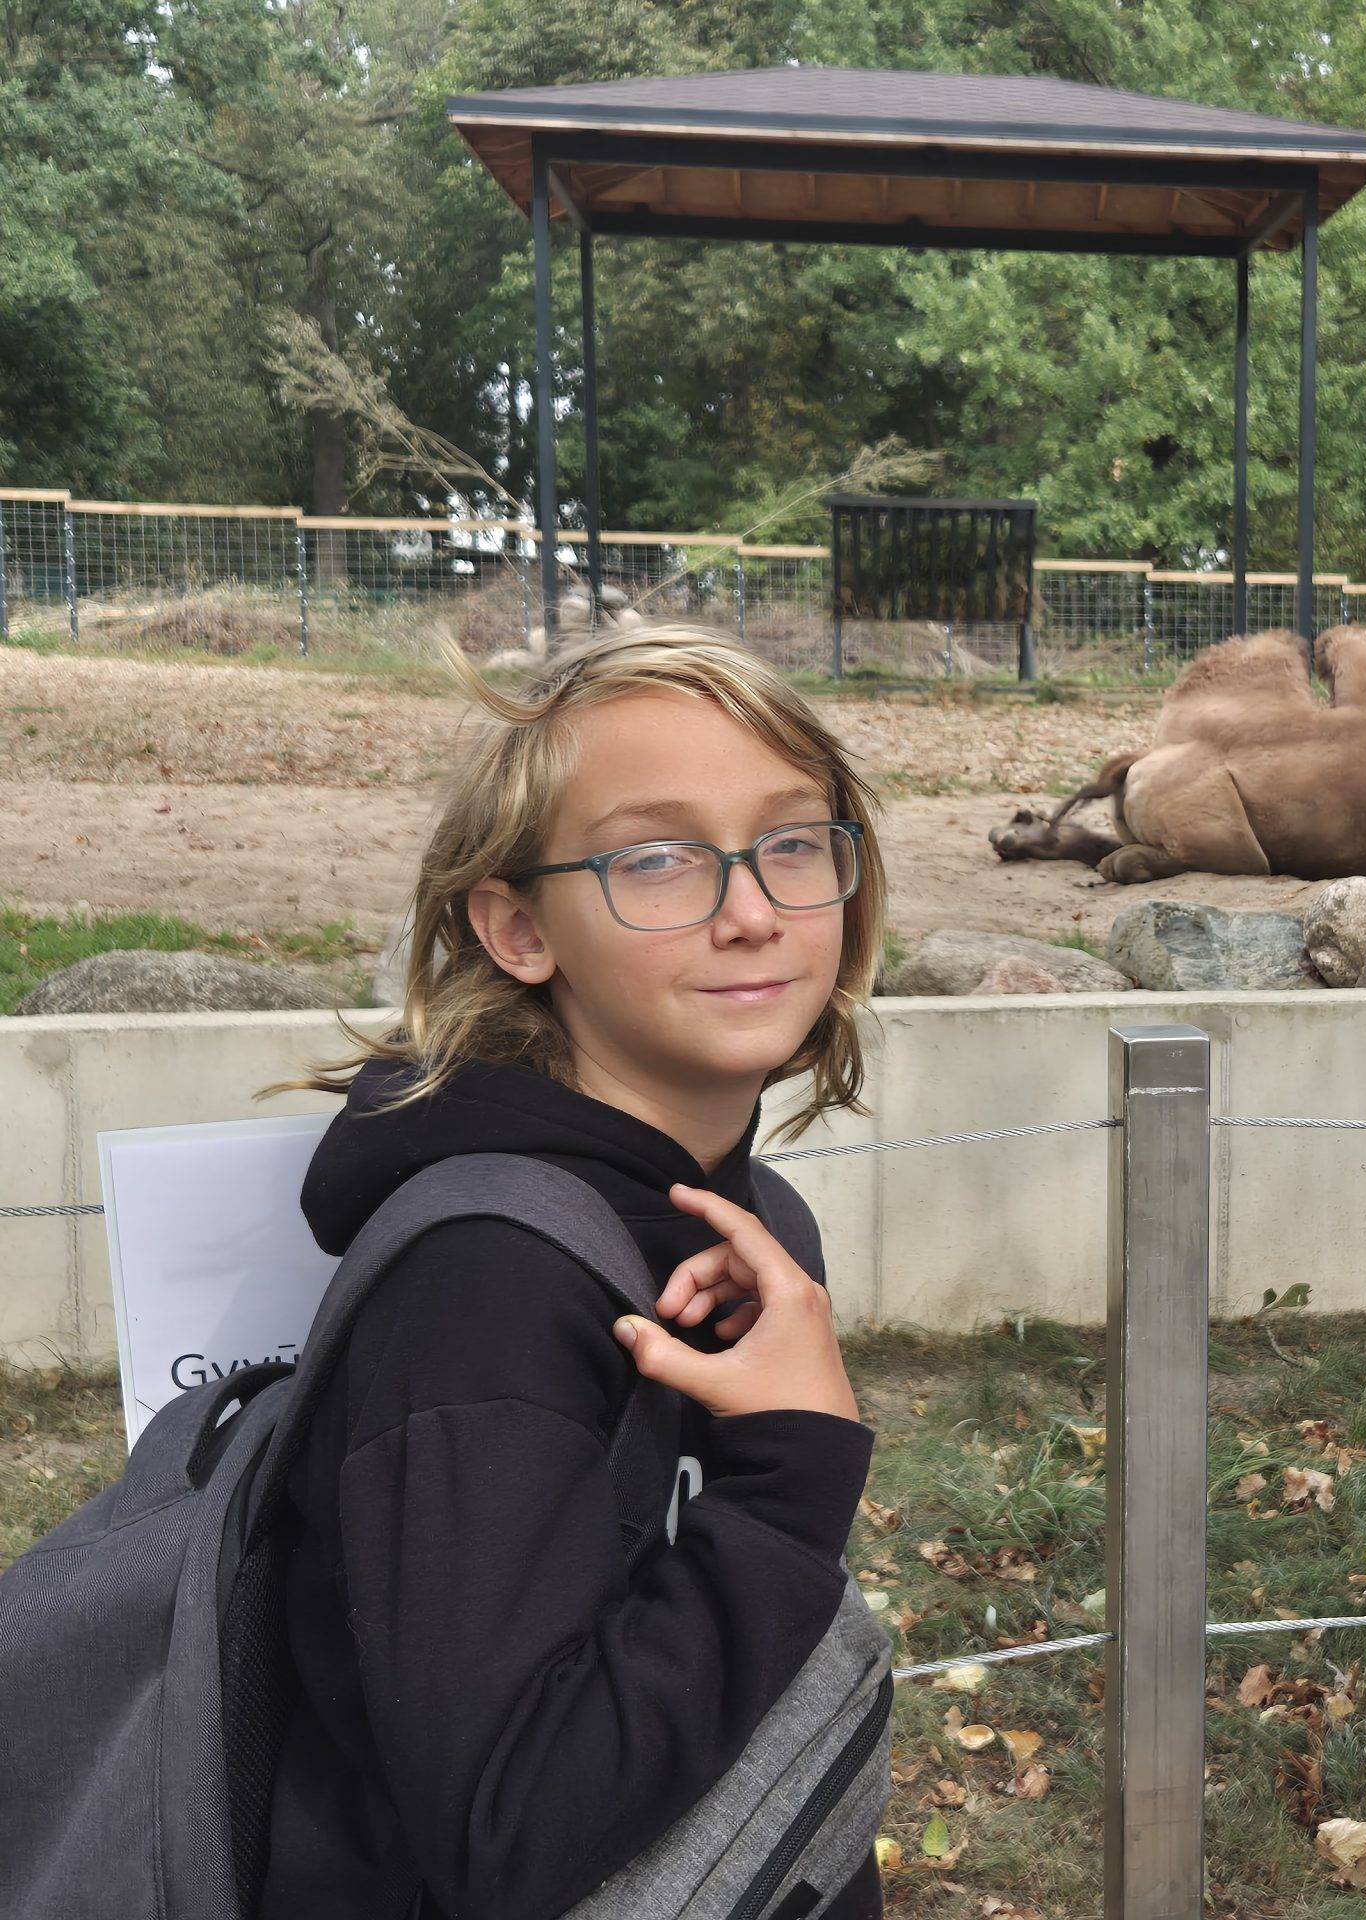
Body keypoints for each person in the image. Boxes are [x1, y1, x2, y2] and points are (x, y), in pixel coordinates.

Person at [256, 626, 891, 1919]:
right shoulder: (485, 1291)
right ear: (517, 927)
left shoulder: (739, 1218)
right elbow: (506, 1838)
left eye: (791, 841)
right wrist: (785, 1488)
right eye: (655, 859)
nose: (753, 910)